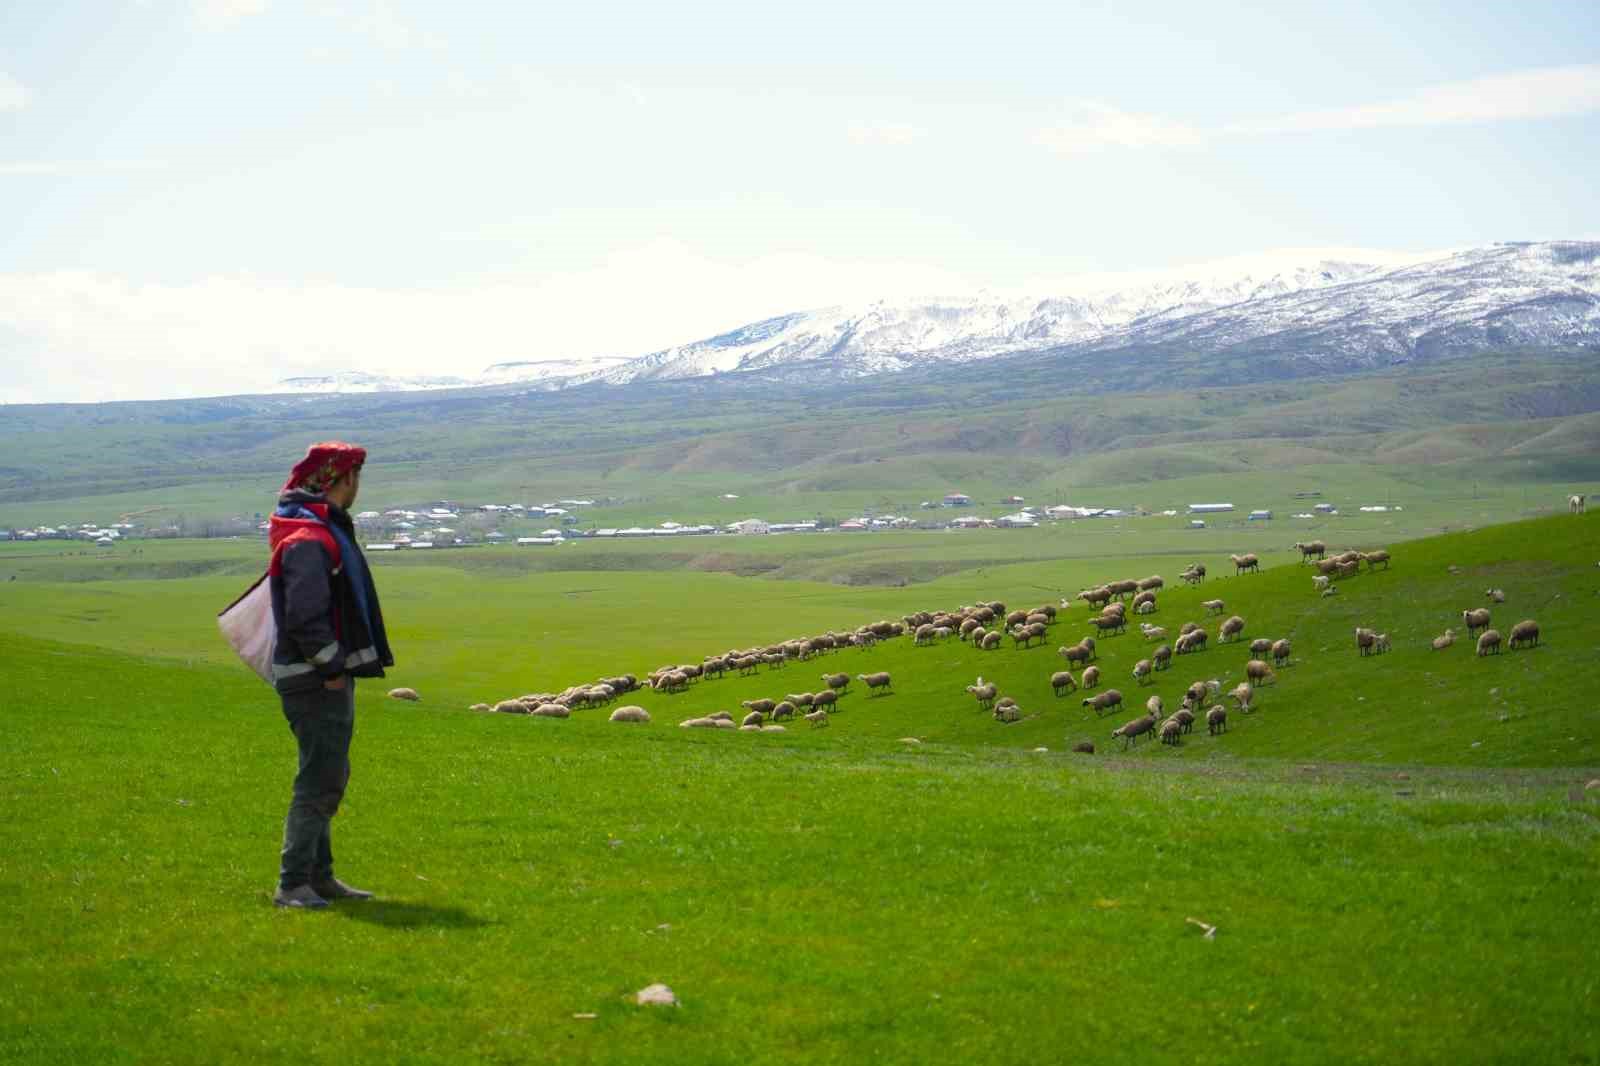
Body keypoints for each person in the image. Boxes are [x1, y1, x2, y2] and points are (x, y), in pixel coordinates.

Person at [267, 441, 394, 909]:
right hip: (315, 677)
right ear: (340, 480)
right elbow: (305, 616)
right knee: (319, 779)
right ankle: (293, 883)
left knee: (327, 773)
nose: (357, 486)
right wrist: (332, 667)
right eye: (354, 476)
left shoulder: (315, 531)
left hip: (317, 675)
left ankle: (320, 878)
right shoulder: (309, 540)